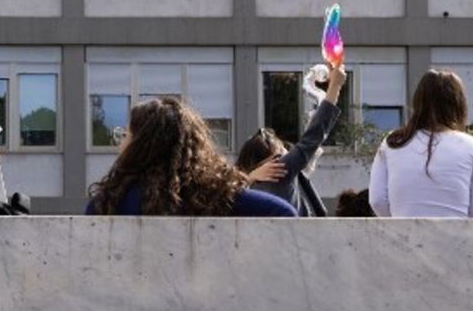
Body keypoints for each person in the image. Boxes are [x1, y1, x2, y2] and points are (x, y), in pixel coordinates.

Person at [87, 96, 298, 217]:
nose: (120, 144)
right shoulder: (215, 198)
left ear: (140, 146)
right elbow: (284, 213)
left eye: (125, 135)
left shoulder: (108, 203)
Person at [368, 69, 473, 218]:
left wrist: (397, 224)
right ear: (458, 104)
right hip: (456, 239)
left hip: (403, 237)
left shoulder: (393, 143)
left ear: (418, 102)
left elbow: (377, 201)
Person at [235, 63, 348, 217]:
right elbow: (313, 137)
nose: (287, 151)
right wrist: (335, 86)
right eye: (282, 149)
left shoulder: (246, 186)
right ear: (273, 154)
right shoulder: (279, 169)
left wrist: (249, 177)